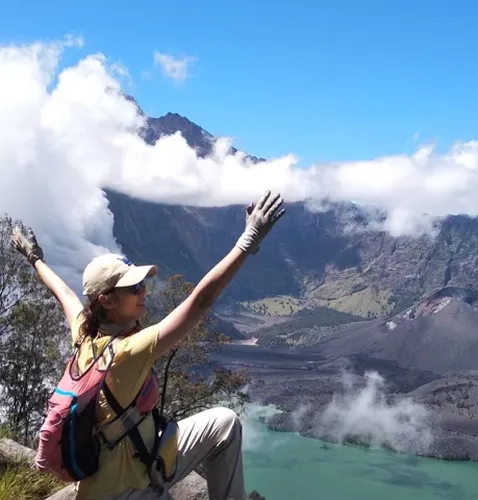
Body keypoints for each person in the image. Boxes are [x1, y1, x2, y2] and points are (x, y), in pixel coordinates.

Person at [11, 190, 285, 500]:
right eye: (133, 287)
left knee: (224, 421)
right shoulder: (129, 351)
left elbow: (64, 294)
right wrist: (247, 241)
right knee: (225, 424)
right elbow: (200, 301)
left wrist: (34, 258)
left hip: (116, 472)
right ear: (107, 300)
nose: (143, 291)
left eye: (142, 283)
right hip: (125, 489)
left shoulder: (84, 333)